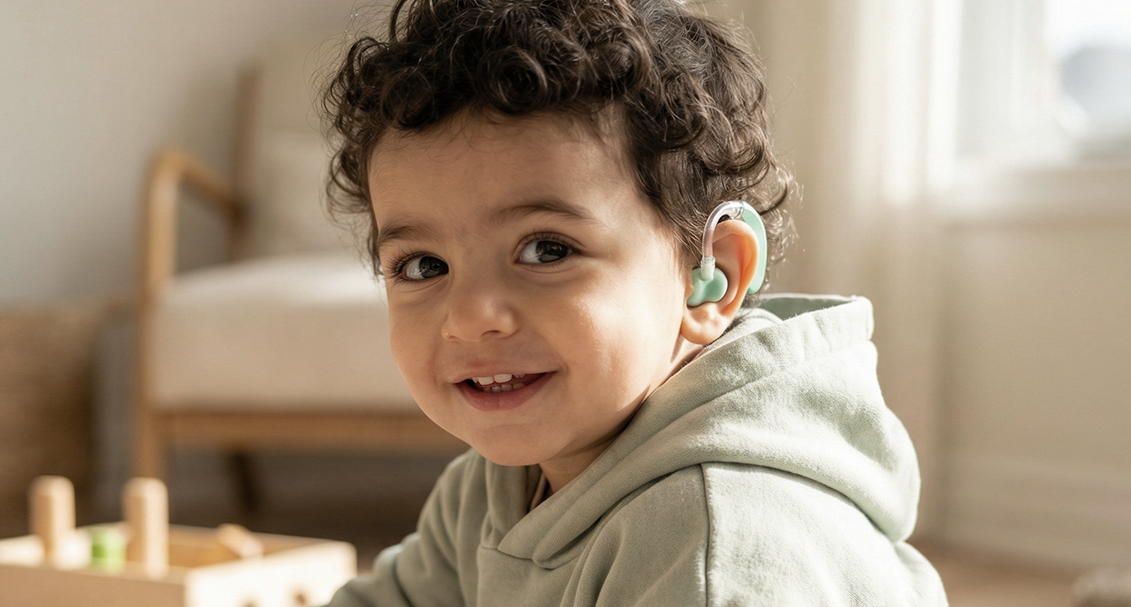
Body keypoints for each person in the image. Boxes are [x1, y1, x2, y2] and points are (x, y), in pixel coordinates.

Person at [319, 0, 948, 604]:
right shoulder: (490, 489)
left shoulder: (716, 547)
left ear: (713, 276)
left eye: (546, 250)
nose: (469, 316)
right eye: (423, 265)